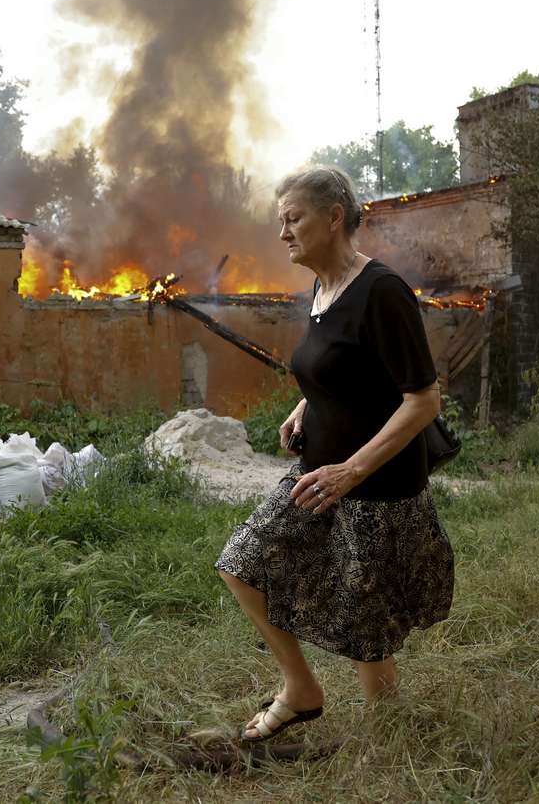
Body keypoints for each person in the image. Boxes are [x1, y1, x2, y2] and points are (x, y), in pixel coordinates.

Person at [215, 165, 454, 742]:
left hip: (375, 488)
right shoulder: (321, 290)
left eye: (293, 219)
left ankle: (388, 737)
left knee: (363, 624)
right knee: (241, 565)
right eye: (282, 221)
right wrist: (306, 403)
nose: (283, 233)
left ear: (334, 217)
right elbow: (342, 367)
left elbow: (422, 400)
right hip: (318, 476)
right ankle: (300, 689)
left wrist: (353, 470)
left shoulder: (383, 291)